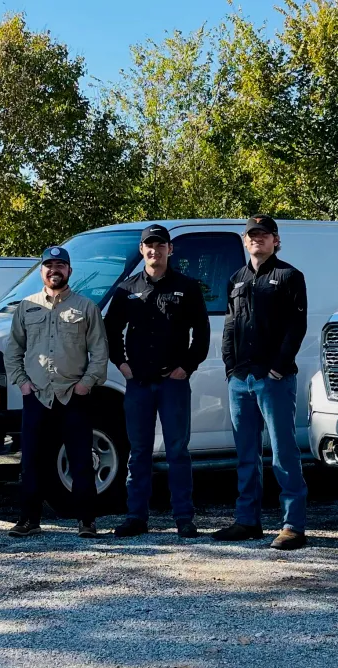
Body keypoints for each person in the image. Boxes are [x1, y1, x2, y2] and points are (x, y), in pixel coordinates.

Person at [105, 224, 210, 539]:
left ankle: (184, 518)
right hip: (138, 384)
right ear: (142, 250)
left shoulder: (187, 287)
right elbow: (111, 331)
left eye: (161, 245)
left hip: (172, 383)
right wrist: (122, 364)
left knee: (178, 451)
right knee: (139, 452)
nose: (155, 250)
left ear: (170, 249)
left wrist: (187, 367)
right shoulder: (126, 289)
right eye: (149, 245)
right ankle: (136, 517)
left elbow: (202, 333)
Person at [216, 215, 309, 550]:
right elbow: (230, 326)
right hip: (241, 379)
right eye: (252, 235)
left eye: (264, 234)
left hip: (274, 379)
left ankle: (293, 525)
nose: (257, 239)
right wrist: (230, 368)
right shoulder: (236, 279)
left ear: (275, 240)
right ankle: (247, 521)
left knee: (283, 452)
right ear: (245, 241)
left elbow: (296, 327)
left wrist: (278, 368)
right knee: (246, 454)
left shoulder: (289, 276)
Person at [5, 246, 109, 538]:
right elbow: (13, 351)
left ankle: (86, 521)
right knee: (32, 461)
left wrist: (86, 384)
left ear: (69, 271)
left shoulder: (86, 308)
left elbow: (100, 352)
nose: (55, 270)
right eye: (49, 265)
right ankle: (28, 519)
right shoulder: (27, 307)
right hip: (37, 395)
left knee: (81, 461)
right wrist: (22, 383)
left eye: (60, 265)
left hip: (73, 396)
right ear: (41, 271)